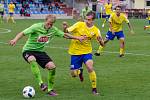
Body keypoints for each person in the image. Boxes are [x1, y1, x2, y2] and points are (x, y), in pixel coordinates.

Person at [9, 14, 86, 96]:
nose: (49, 26)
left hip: (40, 52)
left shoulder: (53, 30)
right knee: (32, 59)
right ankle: (41, 83)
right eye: (48, 23)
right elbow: (23, 33)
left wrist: (78, 37)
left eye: (51, 24)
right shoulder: (36, 26)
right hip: (28, 50)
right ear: (45, 20)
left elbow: (65, 35)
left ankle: (50, 90)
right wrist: (15, 40)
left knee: (52, 67)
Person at [63, 11, 104, 95]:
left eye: (89, 19)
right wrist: (65, 27)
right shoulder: (79, 24)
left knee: (90, 67)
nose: (86, 21)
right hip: (75, 52)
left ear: (93, 20)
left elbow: (102, 44)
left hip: (87, 52)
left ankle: (94, 89)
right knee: (74, 75)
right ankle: (79, 71)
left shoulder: (96, 30)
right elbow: (66, 33)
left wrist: (100, 41)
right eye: (86, 19)